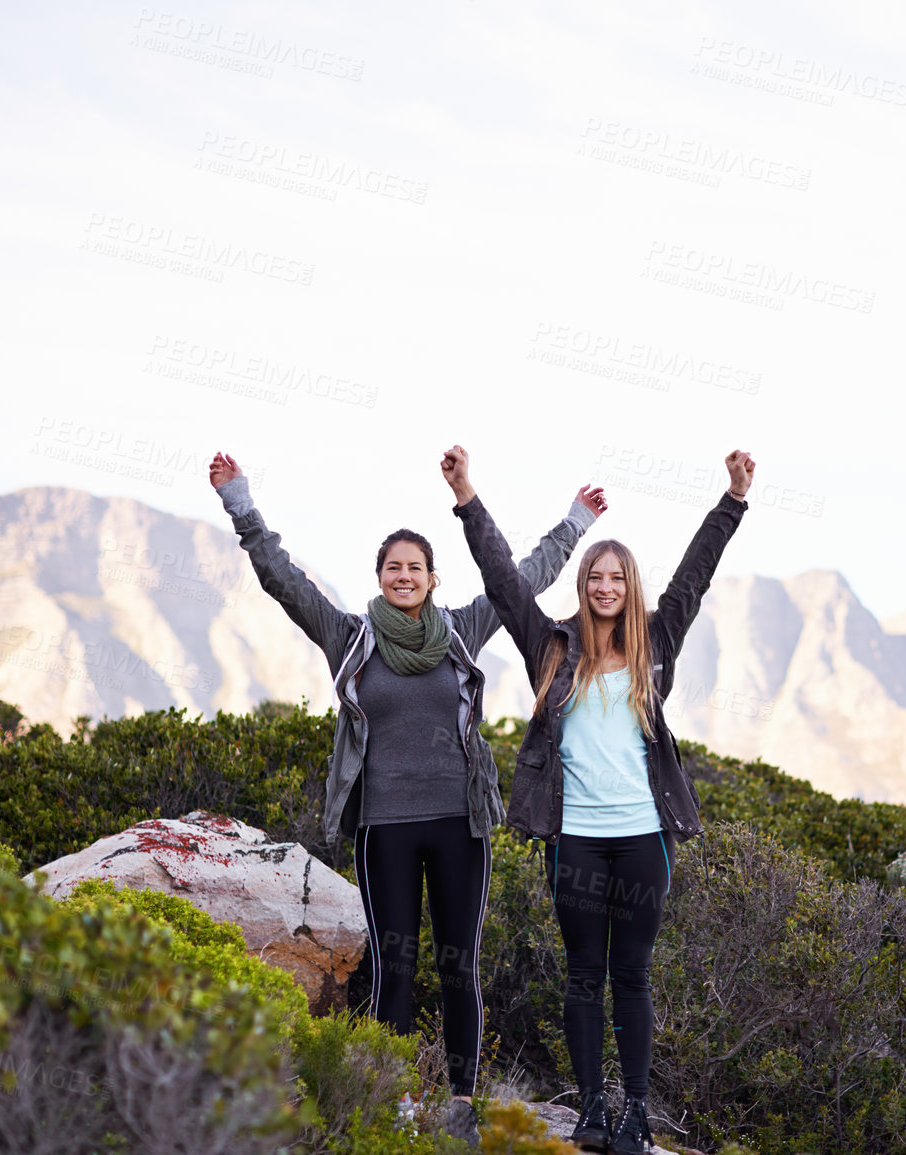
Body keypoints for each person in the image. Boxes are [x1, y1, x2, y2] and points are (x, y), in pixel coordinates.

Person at [207, 450, 607, 1147]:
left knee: (460, 962)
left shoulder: (461, 628)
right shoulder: (350, 637)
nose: (402, 576)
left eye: (413, 567)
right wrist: (238, 500)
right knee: (395, 964)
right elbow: (280, 577)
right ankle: (388, 1097)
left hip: (460, 824)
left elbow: (522, 578)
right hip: (384, 827)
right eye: (392, 567)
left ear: (430, 577)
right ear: (380, 578)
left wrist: (576, 522)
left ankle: (459, 1100)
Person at [442, 444, 754, 1155]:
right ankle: (588, 1111)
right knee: (583, 974)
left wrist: (731, 500)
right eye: (595, 576)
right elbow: (501, 578)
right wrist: (466, 497)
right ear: (581, 584)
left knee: (631, 975)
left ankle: (635, 1114)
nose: (605, 586)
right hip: (574, 837)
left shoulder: (655, 643)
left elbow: (693, 576)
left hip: (644, 839)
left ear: (628, 586)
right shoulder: (549, 645)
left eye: (616, 577)